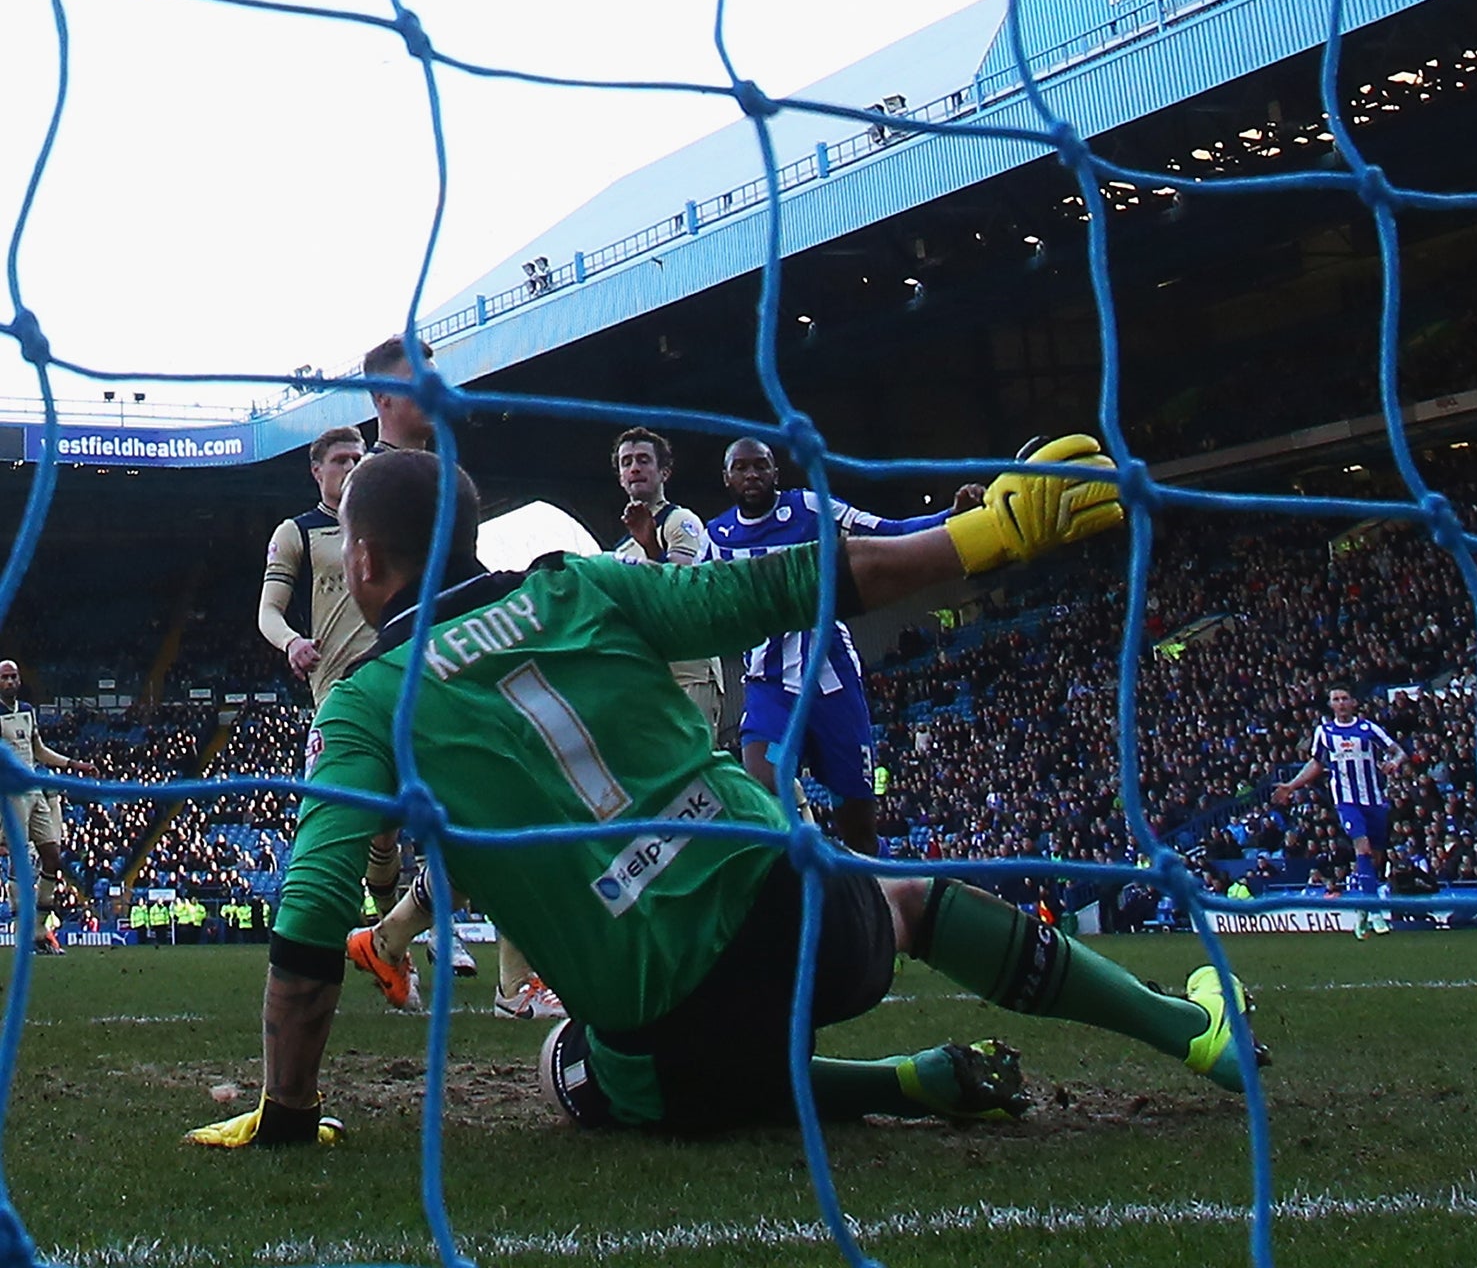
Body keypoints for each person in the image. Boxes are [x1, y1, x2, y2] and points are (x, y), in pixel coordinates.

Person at [184, 440, 1264, 1147]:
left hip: (659, 1030)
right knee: (906, 896)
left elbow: (314, 908)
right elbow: (796, 581)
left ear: (361, 562)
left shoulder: (367, 701)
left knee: (576, 1068)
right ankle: (1185, 1031)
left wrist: (288, 1113)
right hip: (798, 928)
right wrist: (988, 534)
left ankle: (897, 1086)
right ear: (465, 540)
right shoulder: (587, 585)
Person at [350, 333, 554, 1015]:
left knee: (490, 818)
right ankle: (388, 944)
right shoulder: (369, 484)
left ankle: (405, 943)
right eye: (418, 378)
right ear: (384, 397)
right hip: (398, 684)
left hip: (451, 668)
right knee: (491, 815)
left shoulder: (442, 474)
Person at [701, 437, 983, 856]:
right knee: (763, 780)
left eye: (760, 466)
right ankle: (797, 885)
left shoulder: (810, 509)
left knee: (859, 829)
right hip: (771, 689)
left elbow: (886, 533)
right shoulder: (717, 537)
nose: (752, 475)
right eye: (740, 468)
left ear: (776, 472)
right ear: (726, 477)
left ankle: (879, 895)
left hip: (831, 685)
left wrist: (952, 517)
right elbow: (691, 598)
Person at [610, 427, 720, 731]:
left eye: (644, 460)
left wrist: (651, 547)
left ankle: (782, 781)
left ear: (664, 472)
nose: (634, 468)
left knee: (695, 767)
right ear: (620, 476)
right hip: (649, 674)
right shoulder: (619, 549)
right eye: (626, 462)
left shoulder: (680, 521)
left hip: (689, 670)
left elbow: (681, 588)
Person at [257, 428, 371, 708]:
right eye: (340, 460)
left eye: (358, 459)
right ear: (317, 471)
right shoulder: (295, 532)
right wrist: (292, 642)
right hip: (339, 685)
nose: (351, 467)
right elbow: (268, 611)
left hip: (397, 674)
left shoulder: (387, 528)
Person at [0, 661, 97, 954]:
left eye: (13, 676)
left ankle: (41, 931)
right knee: (20, 858)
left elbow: (38, 750)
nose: (9, 681)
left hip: (35, 789)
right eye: (4, 678)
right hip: (12, 793)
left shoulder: (28, 710)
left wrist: (72, 764)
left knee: (52, 857)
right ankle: (23, 934)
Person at [1271, 686, 1403, 886]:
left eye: (1344, 698)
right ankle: (1371, 907)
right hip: (1346, 800)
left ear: (1353, 702)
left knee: (1375, 855)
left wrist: (1395, 763)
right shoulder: (1324, 732)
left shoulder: (1368, 728)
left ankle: (1367, 889)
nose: (1341, 703)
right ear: (1331, 704)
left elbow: (1399, 751)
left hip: (1373, 799)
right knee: (1363, 847)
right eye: (1336, 699)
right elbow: (1316, 763)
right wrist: (1291, 786)